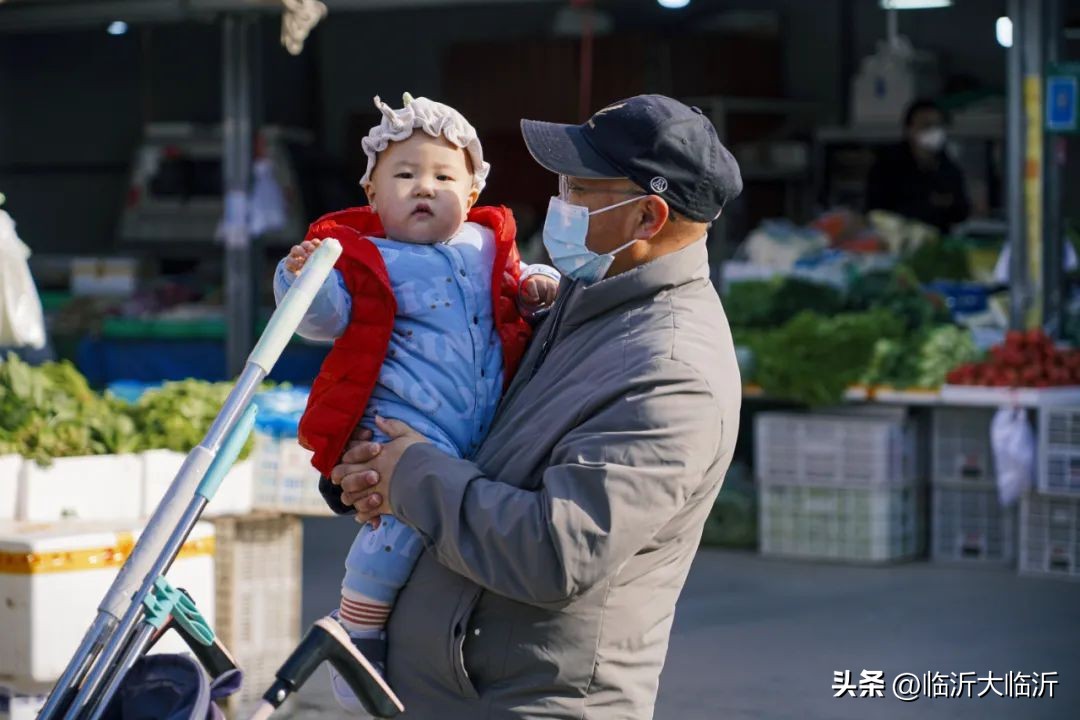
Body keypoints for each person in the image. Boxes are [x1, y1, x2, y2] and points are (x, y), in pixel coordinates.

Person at [325, 94, 744, 719]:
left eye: (578, 189)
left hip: (524, 700)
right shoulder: (587, 294)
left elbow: (556, 551)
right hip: (455, 688)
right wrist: (370, 468)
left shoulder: (669, 372)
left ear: (647, 219)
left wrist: (409, 474)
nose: (559, 205)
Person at [273, 93, 559, 713]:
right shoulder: (365, 259)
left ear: (474, 192)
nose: (423, 188)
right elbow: (322, 322)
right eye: (404, 176)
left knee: (461, 539)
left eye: (443, 176)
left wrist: (540, 289)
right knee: (393, 536)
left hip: (487, 431)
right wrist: (302, 281)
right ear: (373, 195)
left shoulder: (487, 246)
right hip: (407, 429)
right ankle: (356, 631)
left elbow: (519, 297)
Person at [864, 98, 971, 232]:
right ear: (909, 129)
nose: (933, 131)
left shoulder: (948, 167)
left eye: (938, 125)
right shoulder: (886, 165)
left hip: (936, 243)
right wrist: (930, 203)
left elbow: (962, 212)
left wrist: (947, 204)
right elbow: (876, 212)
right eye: (926, 126)